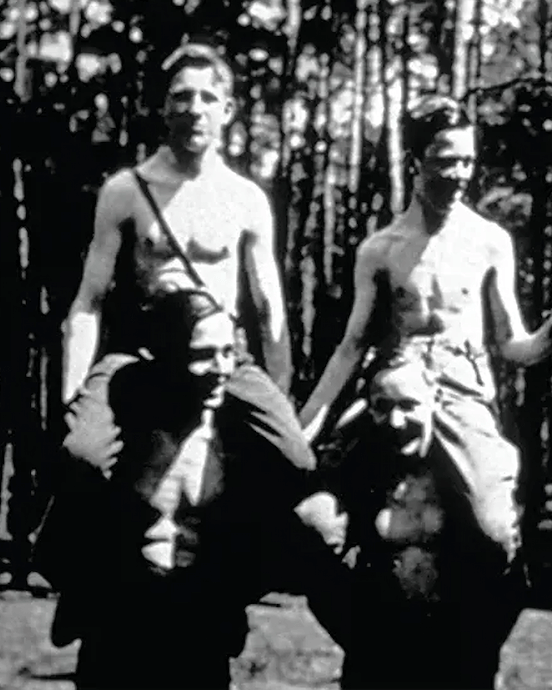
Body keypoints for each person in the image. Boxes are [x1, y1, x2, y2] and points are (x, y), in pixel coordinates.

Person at [50, 41, 342, 644]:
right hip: (143, 351)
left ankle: (235, 586)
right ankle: (79, 584)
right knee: (82, 455)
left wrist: (275, 397)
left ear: (228, 110)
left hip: (223, 353)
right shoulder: (127, 189)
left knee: (294, 459)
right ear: (163, 107)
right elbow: (89, 301)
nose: (195, 109)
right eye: (182, 97)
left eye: (209, 97)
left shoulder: (245, 198)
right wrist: (74, 393)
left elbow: (269, 309)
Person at [297, 94, 552, 688]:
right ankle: (371, 644)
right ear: (416, 159)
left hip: (463, 398)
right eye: (445, 160)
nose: (458, 173)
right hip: (392, 394)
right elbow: (351, 347)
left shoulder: (490, 241)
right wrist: (307, 425)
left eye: (467, 160)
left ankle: (473, 651)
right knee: (313, 523)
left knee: (494, 532)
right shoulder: (382, 248)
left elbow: (514, 343)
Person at [51, 289, 323, 689]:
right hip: (121, 620)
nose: (221, 369)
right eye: (203, 355)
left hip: (199, 621)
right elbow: (81, 467)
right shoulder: (127, 429)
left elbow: (295, 466)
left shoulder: (236, 439)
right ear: (167, 355)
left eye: (229, 353)